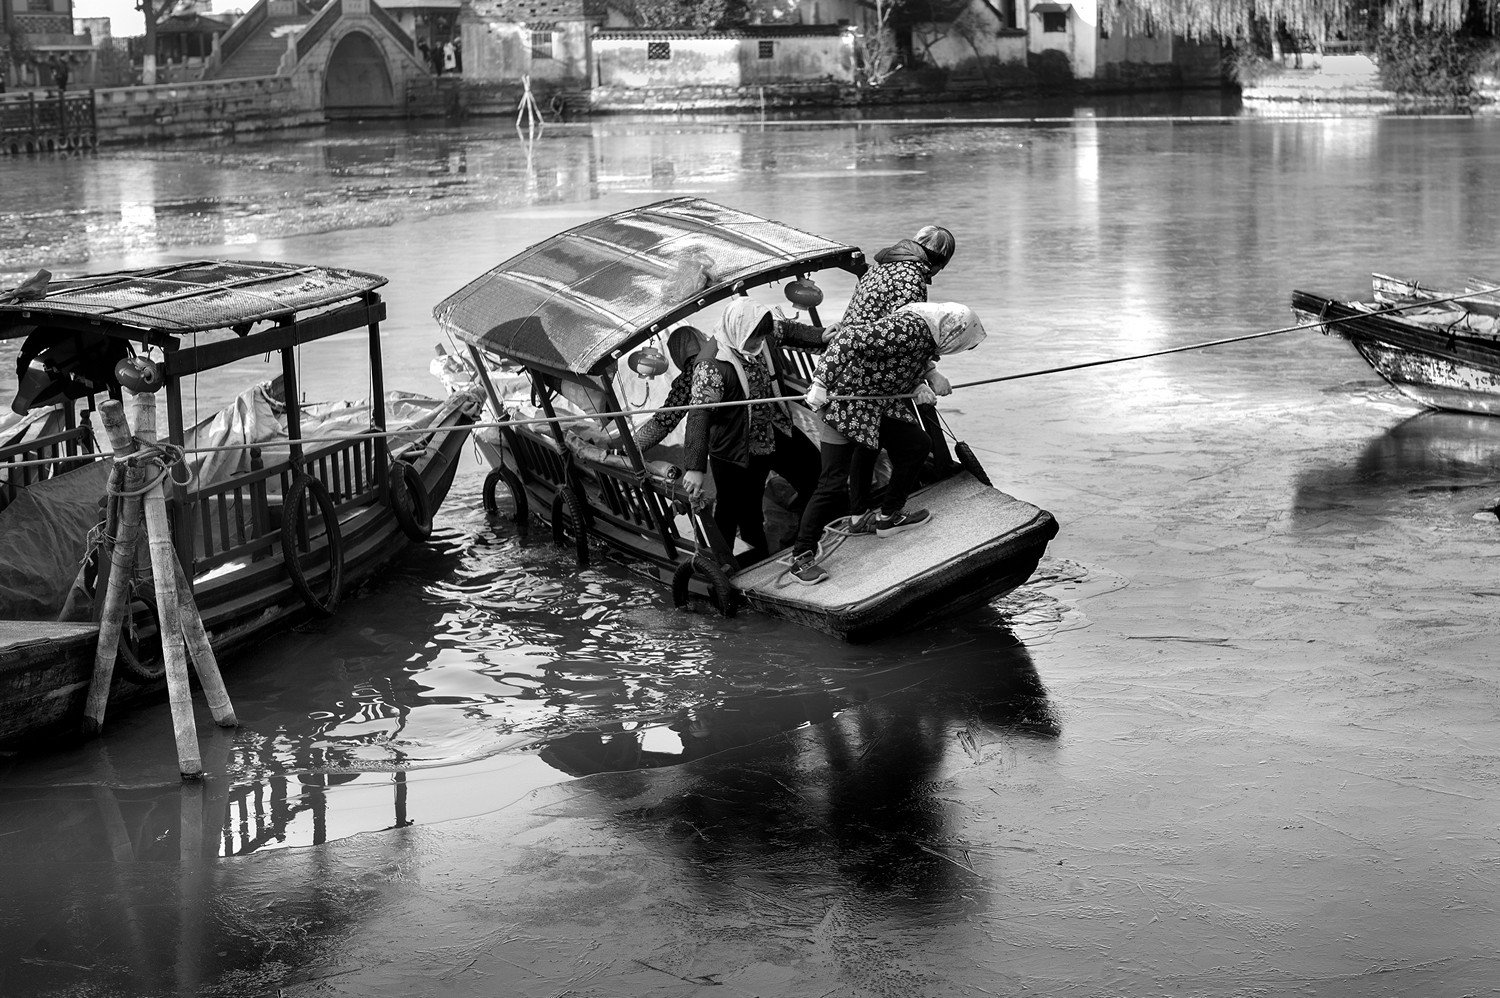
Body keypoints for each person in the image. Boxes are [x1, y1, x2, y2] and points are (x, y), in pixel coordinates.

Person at [787, 301, 986, 586]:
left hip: (876, 407)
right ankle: (801, 557)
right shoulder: (909, 329)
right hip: (846, 407)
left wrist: (920, 384)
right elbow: (848, 338)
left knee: (917, 444)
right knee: (831, 484)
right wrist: (820, 382)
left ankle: (889, 515)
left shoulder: (927, 339)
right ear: (954, 332)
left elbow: (896, 366)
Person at [682, 299, 823, 568]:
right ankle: (738, 568)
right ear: (739, 330)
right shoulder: (711, 366)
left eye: (761, 337)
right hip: (736, 446)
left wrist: (822, 336)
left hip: (773, 427)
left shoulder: (761, 335)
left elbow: (790, 331)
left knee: (815, 474)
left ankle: (811, 537)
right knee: (739, 511)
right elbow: (699, 415)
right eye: (753, 339)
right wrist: (695, 468)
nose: (758, 344)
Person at [623, 325, 714, 454]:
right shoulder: (723, 359)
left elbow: (665, 419)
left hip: (726, 441)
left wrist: (629, 449)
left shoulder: (691, 375)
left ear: (678, 351)